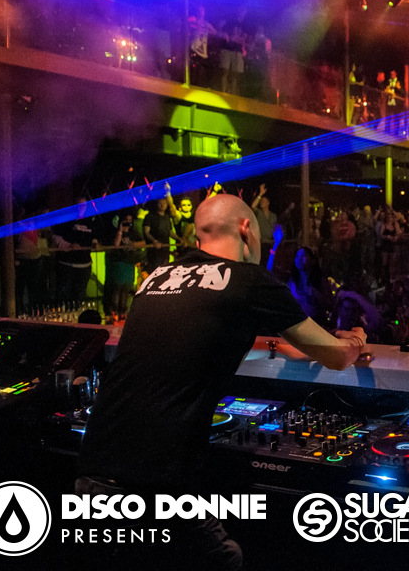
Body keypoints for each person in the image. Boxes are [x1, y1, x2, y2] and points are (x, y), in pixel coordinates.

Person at [77, 194, 366, 570]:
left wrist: (284, 347)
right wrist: (356, 339)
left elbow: (200, 338)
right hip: (154, 481)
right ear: (247, 230)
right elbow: (337, 357)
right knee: (226, 558)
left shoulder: (156, 279)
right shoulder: (249, 280)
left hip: (93, 472)